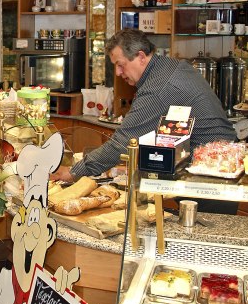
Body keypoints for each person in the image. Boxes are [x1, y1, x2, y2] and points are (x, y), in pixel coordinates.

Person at [53, 28, 236, 186]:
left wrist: (73, 172)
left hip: (211, 174)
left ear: (141, 56)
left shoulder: (158, 87)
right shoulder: (168, 67)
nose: (118, 72)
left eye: (121, 65)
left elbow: (122, 143)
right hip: (220, 163)